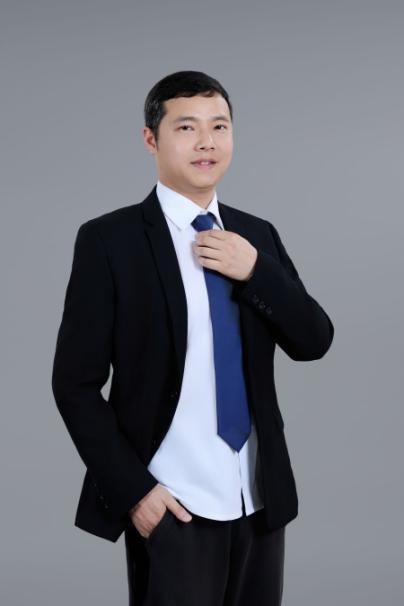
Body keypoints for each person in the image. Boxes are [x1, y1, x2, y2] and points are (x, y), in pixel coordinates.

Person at [51, 70, 334, 606]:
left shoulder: (257, 235)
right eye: (186, 127)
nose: (207, 142)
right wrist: (136, 493)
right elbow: (74, 384)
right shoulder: (110, 241)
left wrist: (256, 271)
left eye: (219, 126)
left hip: (257, 497)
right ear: (151, 138)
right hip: (171, 501)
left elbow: (313, 340)